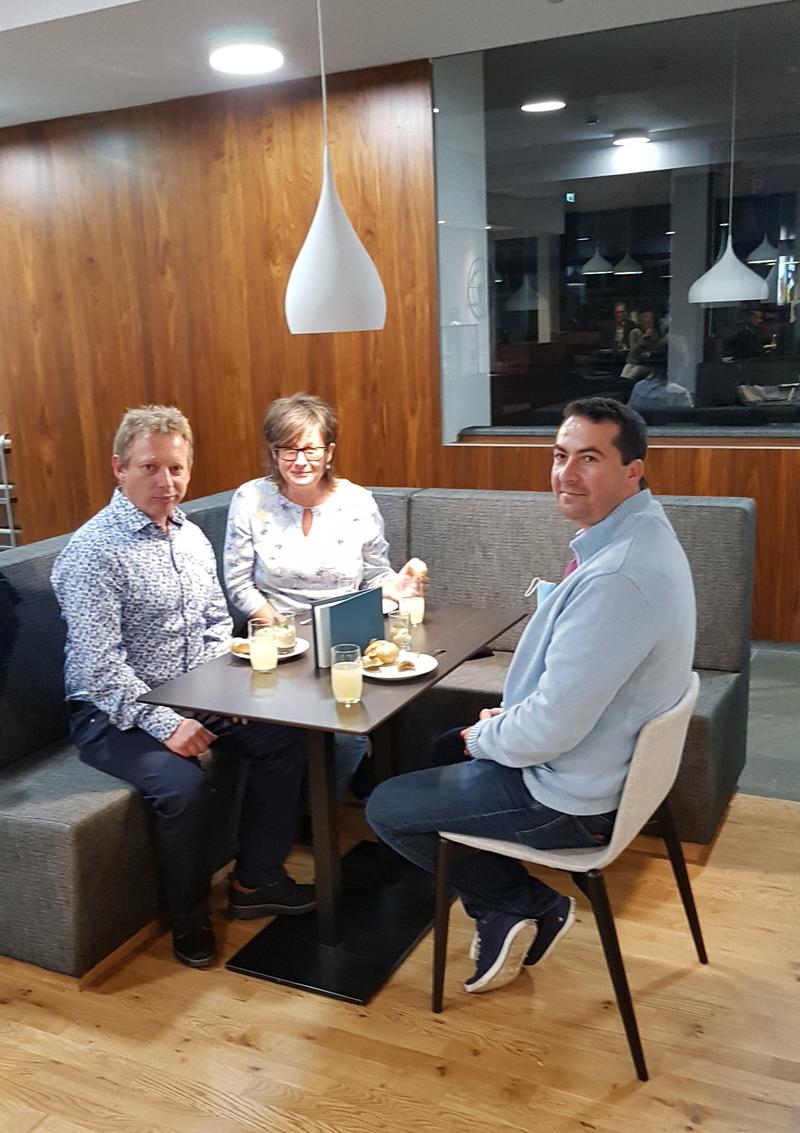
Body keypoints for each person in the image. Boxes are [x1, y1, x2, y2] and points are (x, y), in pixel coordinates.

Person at [367, 397, 696, 996]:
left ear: (633, 470)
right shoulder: (641, 532)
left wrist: (492, 734)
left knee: (387, 808)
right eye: (560, 455)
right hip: (600, 758)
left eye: (589, 458)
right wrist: (506, 724)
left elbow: (551, 730)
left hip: (574, 799)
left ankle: (524, 903)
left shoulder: (617, 576)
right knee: (444, 747)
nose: (567, 473)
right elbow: (572, 695)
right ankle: (496, 903)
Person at [51, 406, 314, 971]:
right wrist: (167, 723)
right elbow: (100, 667)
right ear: (119, 468)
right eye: (150, 467)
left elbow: (215, 625)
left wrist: (225, 693)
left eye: (176, 468)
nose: (166, 482)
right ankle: (188, 917)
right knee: (183, 787)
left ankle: (255, 881)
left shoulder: (190, 535)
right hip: (111, 712)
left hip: (194, 692)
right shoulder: (94, 553)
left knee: (285, 738)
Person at [224, 392, 426, 799]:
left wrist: (397, 587)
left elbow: (375, 574)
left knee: (348, 733)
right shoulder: (251, 498)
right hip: (276, 641)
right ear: (273, 452)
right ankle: (301, 810)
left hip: (345, 637)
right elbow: (238, 582)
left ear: (329, 452)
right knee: (290, 725)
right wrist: (282, 629)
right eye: (288, 449)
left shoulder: (357, 501)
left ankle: (317, 811)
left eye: (311, 449)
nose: (300, 461)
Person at [628, 341, 694, 412]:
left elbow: (630, 415)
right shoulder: (679, 394)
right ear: (676, 363)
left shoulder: (639, 388)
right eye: (684, 361)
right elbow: (687, 418)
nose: (685, 366)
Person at [621, 310, 661, 380]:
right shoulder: (634, 333)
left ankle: (626, 382)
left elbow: (657, 350)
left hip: (648, 364)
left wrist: (654, 340)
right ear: (640, 321)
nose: (649, 319)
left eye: (651, 318)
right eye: (646, 317)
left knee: (638, 370)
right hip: (634, 362)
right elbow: (633, 351)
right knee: (627, 367)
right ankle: (622, 381)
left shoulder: (655, 333)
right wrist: (643, 339)